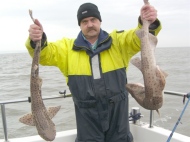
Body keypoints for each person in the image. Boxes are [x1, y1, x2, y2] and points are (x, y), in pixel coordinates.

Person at [26, 2, 161, 142]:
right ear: (79, 25)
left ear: (100, 21)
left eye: (93, 20)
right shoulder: (67, 49)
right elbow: (45, 54)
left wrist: (148, 22)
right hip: (87, 121)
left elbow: (138, 38)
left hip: (118, 119)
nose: (90, 24)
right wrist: (36, 40)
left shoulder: (118, 42)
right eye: (84, 21)